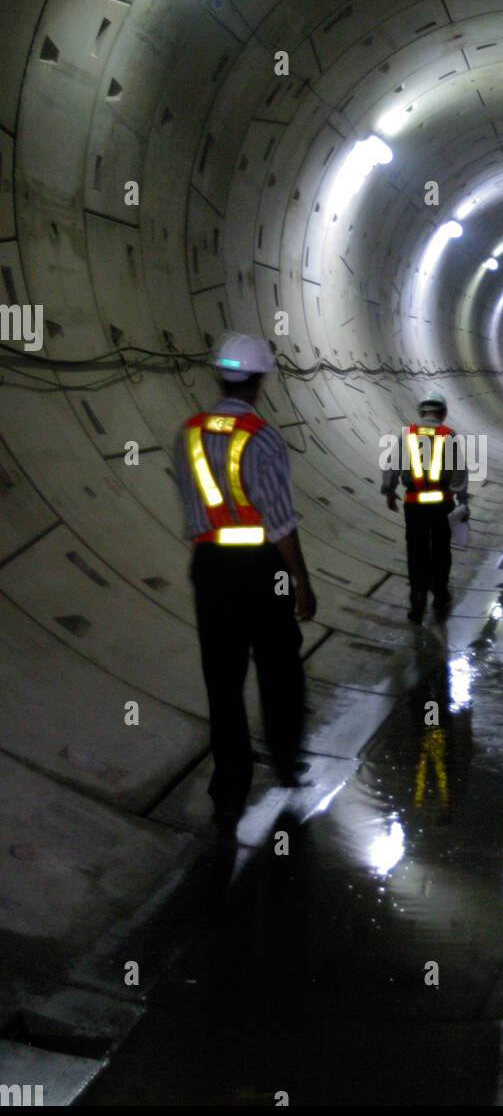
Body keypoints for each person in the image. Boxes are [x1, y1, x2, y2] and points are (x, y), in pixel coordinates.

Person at [174, 332, 317, 831]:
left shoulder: (189, 432)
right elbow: (279, 522)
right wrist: (300, 578)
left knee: (223, 677)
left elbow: (196, 508)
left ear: (222, 376)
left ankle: (229, 789)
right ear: (258, 382)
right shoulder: (262, 437)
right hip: (262, 570)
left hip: (210, 569)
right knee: (278, 662)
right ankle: (285, 760)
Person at [381, 388, 469, 623]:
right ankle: (440, 593)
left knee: (416, 551)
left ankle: (417, 597)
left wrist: (389, 491)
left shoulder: (407, 434)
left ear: (422, 411)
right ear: (442, 412)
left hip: (414, 505)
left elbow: (392, 465)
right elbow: (459, 473)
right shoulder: (448, 435)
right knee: (441, 549)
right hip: (442, 504)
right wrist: (462, 498)